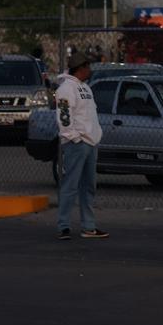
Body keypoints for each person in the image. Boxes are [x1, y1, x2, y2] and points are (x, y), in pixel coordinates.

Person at [55, 51, 108, 241]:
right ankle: (63, 226)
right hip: (77, 143)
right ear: (81, 68)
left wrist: (95, 135)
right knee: (70, 185)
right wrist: (74, 137)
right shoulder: (66, 88)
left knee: (88, 186)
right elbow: (64, 115)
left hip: (90, 142)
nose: (90, 70)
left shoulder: (85, 87)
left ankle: (88, 226)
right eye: (88, 67)